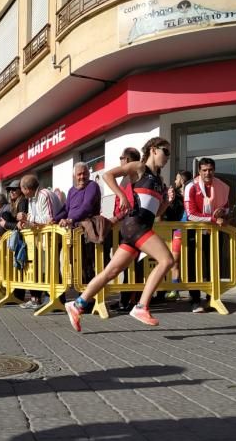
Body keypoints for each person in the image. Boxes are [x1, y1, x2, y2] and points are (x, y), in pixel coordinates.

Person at [65, 137, 174, 331]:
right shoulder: (139, 167)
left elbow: (155, 213)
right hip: (136, 226)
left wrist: (166, 202)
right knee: (166, 260)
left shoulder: (159, 180)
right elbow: (108, 175)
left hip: (139, 227)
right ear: (154, 150)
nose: (168, 157)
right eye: (166, 152)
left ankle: (77, 304)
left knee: (111, 272)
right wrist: (122, 195)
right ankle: (141, 306)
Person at [184, 158, 230, 312]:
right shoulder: (191, 186)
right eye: (204, 170)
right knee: (194, 266)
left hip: (215, 231)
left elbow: (227, 207)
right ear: (199, 171)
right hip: (195, 231)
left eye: (210, 169)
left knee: (214, 264)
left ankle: (212, 297)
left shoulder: (222, 186)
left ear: (214, 170)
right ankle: (195, 300)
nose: (207, 173)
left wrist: (223, 213)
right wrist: (213, 218)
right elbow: (190, 214)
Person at [17, 174, 64, 309]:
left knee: (52, 268)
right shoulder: (32, 198)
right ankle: (43, 298)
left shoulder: (44, 195)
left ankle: (56, 299)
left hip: (51, 238)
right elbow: (34, 218)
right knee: (43, 269)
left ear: (27, 188)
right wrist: (24, 222)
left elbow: (50, 219)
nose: (21, 192)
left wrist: (28, 219)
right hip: (41, 240)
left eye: (22, 188)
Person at [108, 146, 142, 311]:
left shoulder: (134, 179)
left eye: (121, 158)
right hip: (125, 228)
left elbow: (130, 206)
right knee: (125, 265)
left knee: (133, 266)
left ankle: (132, 301)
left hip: (132, 228)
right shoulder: (126, 179)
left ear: (127, 160)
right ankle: (125, 299)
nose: (120, 161)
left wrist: (116, 218)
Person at [55, 162, 102, 283]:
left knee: (87, 263)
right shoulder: (71, 191)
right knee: (75, 262)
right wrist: (54, 219)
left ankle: (89, 298)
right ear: (74, 176)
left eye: (84, 173)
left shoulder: (92, 186)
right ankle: (82, 296)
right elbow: (66, 209)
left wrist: (70, 219)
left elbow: (87, 206)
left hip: (86, 231)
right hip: (72, 232)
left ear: (89, 173)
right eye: (79, 174)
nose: (82, 177)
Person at [162, 169, 193, 300]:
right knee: (174, 261)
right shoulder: (175, 196)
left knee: (184, 261)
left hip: (185, 231)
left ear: (182, 180)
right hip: (177, 231)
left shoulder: (190, 194)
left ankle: (184, 290)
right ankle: (175, 289)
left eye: (176, 178)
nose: (175, 181)